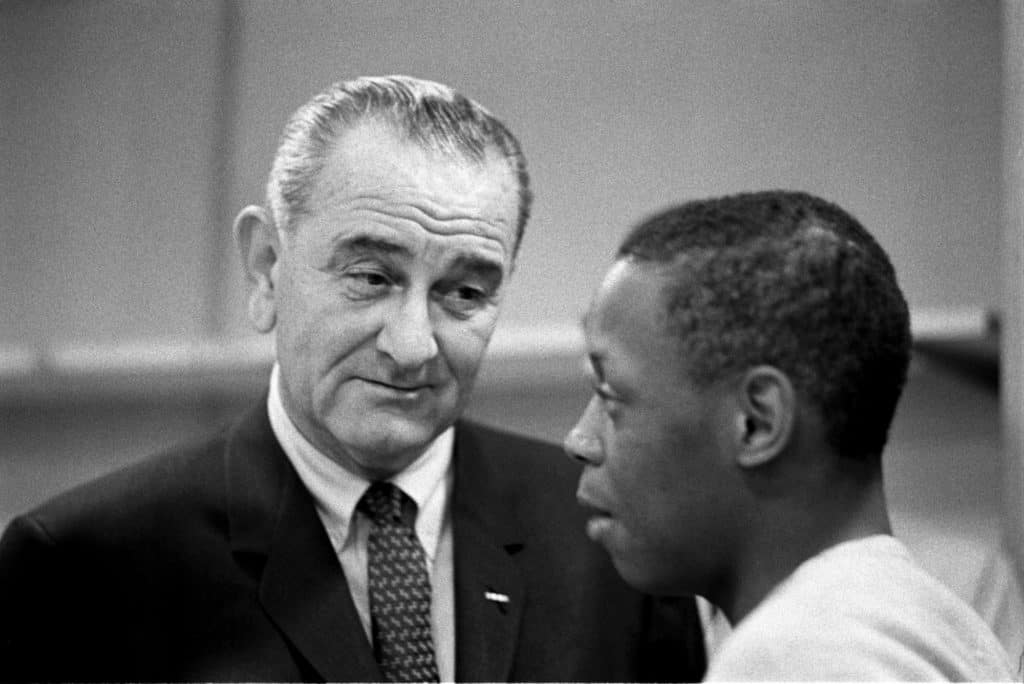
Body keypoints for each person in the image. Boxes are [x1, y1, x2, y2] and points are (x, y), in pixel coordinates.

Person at [0, 76, 706, 682]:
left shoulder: (609, 539)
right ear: (266, 268)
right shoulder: (86, 568)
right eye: (370, 278)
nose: (412, 346)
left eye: (463, 293)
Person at [564, 190, 1016, 681]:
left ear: (757, 421)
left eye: (610, 400)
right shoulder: (944, 631)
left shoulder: (795, 659)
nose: (579, 440)